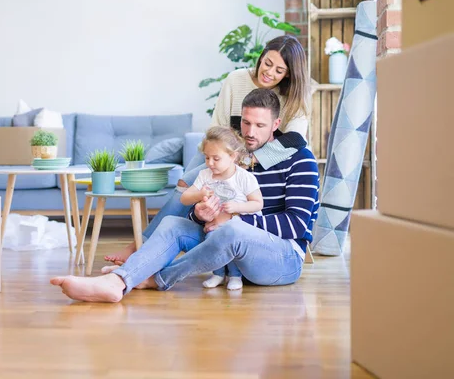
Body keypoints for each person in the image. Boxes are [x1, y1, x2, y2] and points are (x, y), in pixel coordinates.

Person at [50, 88, 320, 303]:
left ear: (276, 124)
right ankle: (119, 281)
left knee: (233, 230)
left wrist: (233, 219)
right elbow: (210, 208)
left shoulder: (299, 159)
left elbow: (296, 224)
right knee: (173, 224)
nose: (250, 132)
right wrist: (201, 214)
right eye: (246, 123)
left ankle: (153, 279)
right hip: (230, 248)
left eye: (260, 125)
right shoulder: (234, 156)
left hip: (282, 258)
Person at [104, 35, 311, 264]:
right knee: (185, 184)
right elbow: (218, 126)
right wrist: (229, 157)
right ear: (261, 58)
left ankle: (143, 248)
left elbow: (295, 140)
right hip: (225, 151)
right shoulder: (236, 80)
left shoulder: (294, 95)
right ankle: (145, 246)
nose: (269, 72)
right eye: (267, 63)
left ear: (289, 74)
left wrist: (247, 160)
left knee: (191, 184)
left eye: (279, 70)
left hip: (263, 161)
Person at [180, 126, 263, 291]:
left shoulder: (244, 177)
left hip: (237, 227)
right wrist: (199, 194)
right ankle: (218, 274)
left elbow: (258, 203)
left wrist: (237, 207)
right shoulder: (205, 176)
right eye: (206, 158)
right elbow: (184, 198)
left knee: (230, 242)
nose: (210, 163)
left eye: (216, 159)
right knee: (214, 242)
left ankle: (235, 275)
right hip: (213, 226)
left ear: (232, 156)